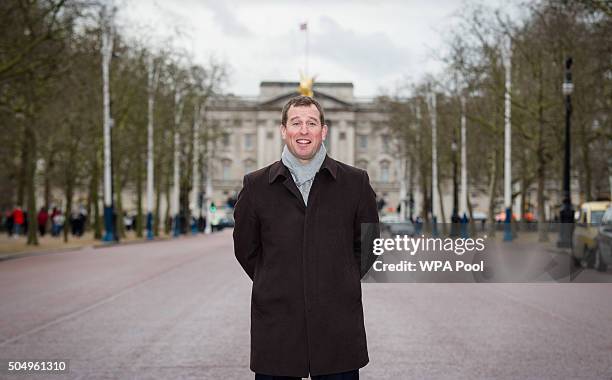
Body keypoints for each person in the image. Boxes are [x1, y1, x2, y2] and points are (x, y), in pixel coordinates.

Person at [233, 96, 379, 380]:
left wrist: (339, 278)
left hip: (337, 323)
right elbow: (246, 249)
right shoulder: (255, 186)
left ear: (323, 131)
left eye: (311, 123)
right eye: (296, 123)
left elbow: (369, 245)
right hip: (277, 324)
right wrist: (276, 280)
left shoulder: (356, 182)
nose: (303, 131)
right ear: (283, 130)